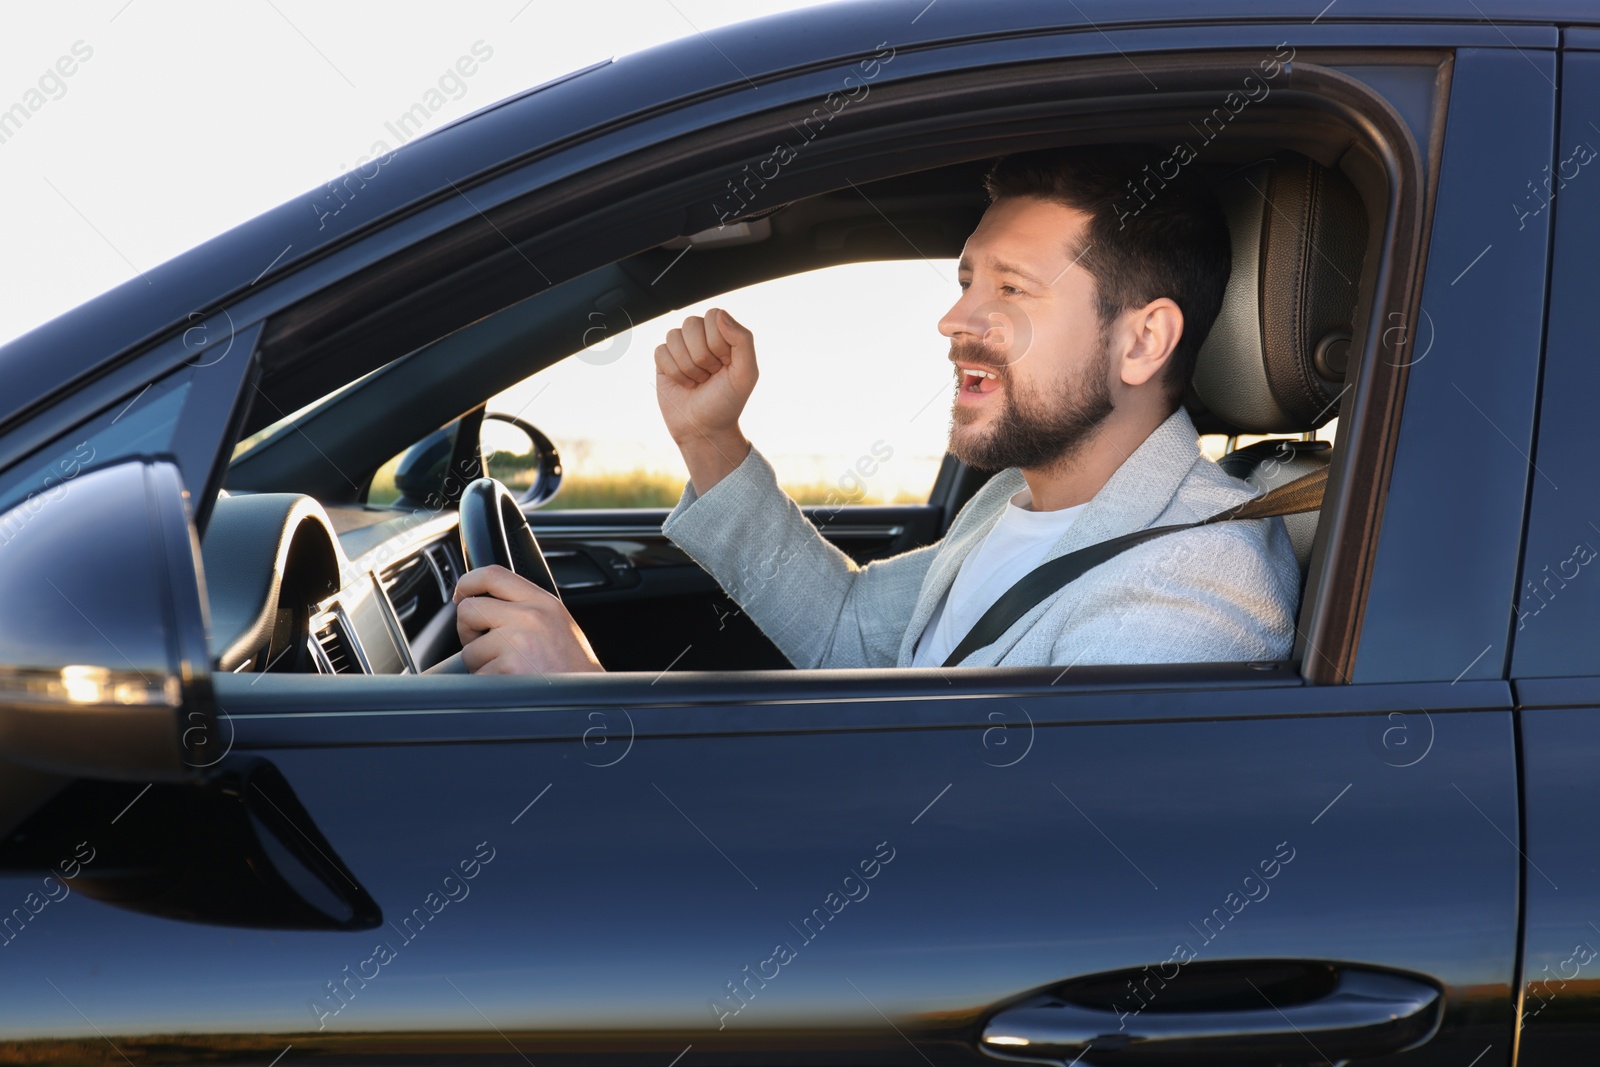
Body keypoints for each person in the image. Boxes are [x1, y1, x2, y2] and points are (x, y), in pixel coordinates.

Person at [450, 147, 1300, 674]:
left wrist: (587, 706)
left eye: (1012, 288)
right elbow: (852, 635)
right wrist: (712, 439)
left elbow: (976, 873)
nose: (955, 318)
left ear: (1144, 340)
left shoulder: (1186, 593)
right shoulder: (1022, 500)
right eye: (968, 279)